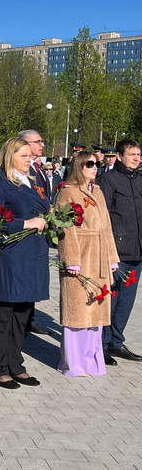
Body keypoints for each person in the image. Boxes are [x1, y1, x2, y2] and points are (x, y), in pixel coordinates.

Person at [0, 137, 49, 389]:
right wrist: (24, 224)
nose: (30, 160)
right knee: (1, 312)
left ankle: (15, 364)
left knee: (21, 314)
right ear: (10, 156)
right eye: (24, 156)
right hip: (9, 257)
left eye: (31, 156)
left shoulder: (33, 181)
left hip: (31, 257)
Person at [55, 150, 118, 376]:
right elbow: (65, 227)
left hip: (99, 255)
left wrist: (112, 257)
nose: (94, 167)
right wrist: (71, 259)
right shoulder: (67, 192)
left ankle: (92, 360)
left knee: (96, 312)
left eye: (96, 164)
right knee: (77, 311)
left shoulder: (98, 191)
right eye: (89, 164)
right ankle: (73, 363)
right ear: (79, 166)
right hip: (80, 255)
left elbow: (106, 227)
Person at [97, 139, 142, 364]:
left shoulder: (141, 180)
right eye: (132, 154)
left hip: (137, 249)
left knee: (127, 300)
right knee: (111, 298)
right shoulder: (108, 179)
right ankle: (102, 344)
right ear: (120, 155)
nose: (136, 158)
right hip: (117, 250)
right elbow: (102, 215)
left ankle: (116, 341)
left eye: (139, 154)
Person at [18, 130, 50, 336]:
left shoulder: (39, 169)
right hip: (24, 230)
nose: (42, 145)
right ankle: (26, 318)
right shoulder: (21, 172)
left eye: (41, 141)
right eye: (37, 142)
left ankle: (29, 317)